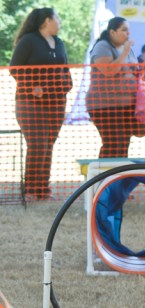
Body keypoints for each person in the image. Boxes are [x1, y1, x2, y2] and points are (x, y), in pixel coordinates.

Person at [8, 7, 72, 201]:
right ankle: (30, 190)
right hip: (30, 103)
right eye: (57, 18)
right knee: (38, 144)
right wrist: (32, 86)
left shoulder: (59, 43)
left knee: (48, 145)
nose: (59, 22)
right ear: (46, 21)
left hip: (56, 103)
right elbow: (14, 69)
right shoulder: (28, 41)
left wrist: (67, 84)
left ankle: (43, 189)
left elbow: (65, 70)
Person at [87, 17, 141, 158]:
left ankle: (119, 178)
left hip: (125, 104)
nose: (128, 33)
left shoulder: (128, 49)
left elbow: (134, 71)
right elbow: (109, 71)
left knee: (123, 143)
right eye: (123, 30)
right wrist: (124, 52)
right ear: (112, 32)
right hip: (104, 105)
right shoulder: (103, 46)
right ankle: (104, 178)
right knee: (113, 143)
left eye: (129, 30)